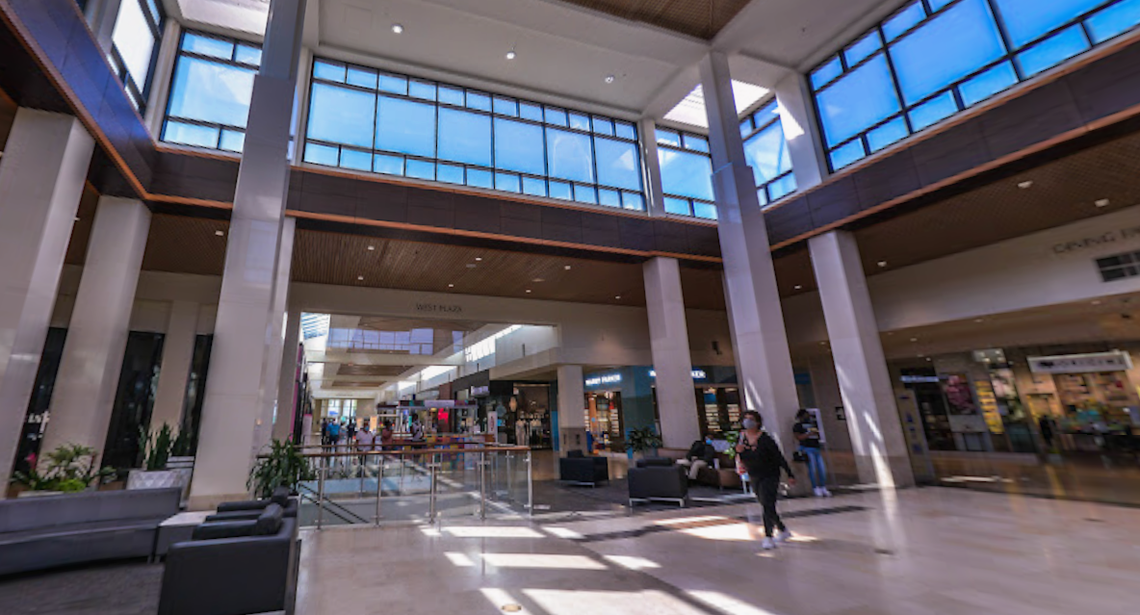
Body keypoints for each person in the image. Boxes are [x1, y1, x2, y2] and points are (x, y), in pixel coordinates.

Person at [735, 410, 795, 550]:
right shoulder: (742, 438)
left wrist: (789, 474)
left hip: (770, 474)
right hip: (754, 474)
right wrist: (739, 452)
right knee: (765, 504)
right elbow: (743, 457)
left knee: (768, 503)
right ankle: (782, 529)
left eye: (751, 419)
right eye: (745, 419)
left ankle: (768, 536)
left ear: (757, 422)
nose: (748, 422)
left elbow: (778, 457)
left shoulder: (766, 439)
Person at [793, 409, 831, 497]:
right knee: (812, 469)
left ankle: (823, 486)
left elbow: (817, 434)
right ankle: (815, 487)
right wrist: (808, 434)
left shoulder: (812, 425)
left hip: (816, 448)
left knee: (821, 469)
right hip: (807, 448)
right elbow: (798, 437)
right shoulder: (798, 426)